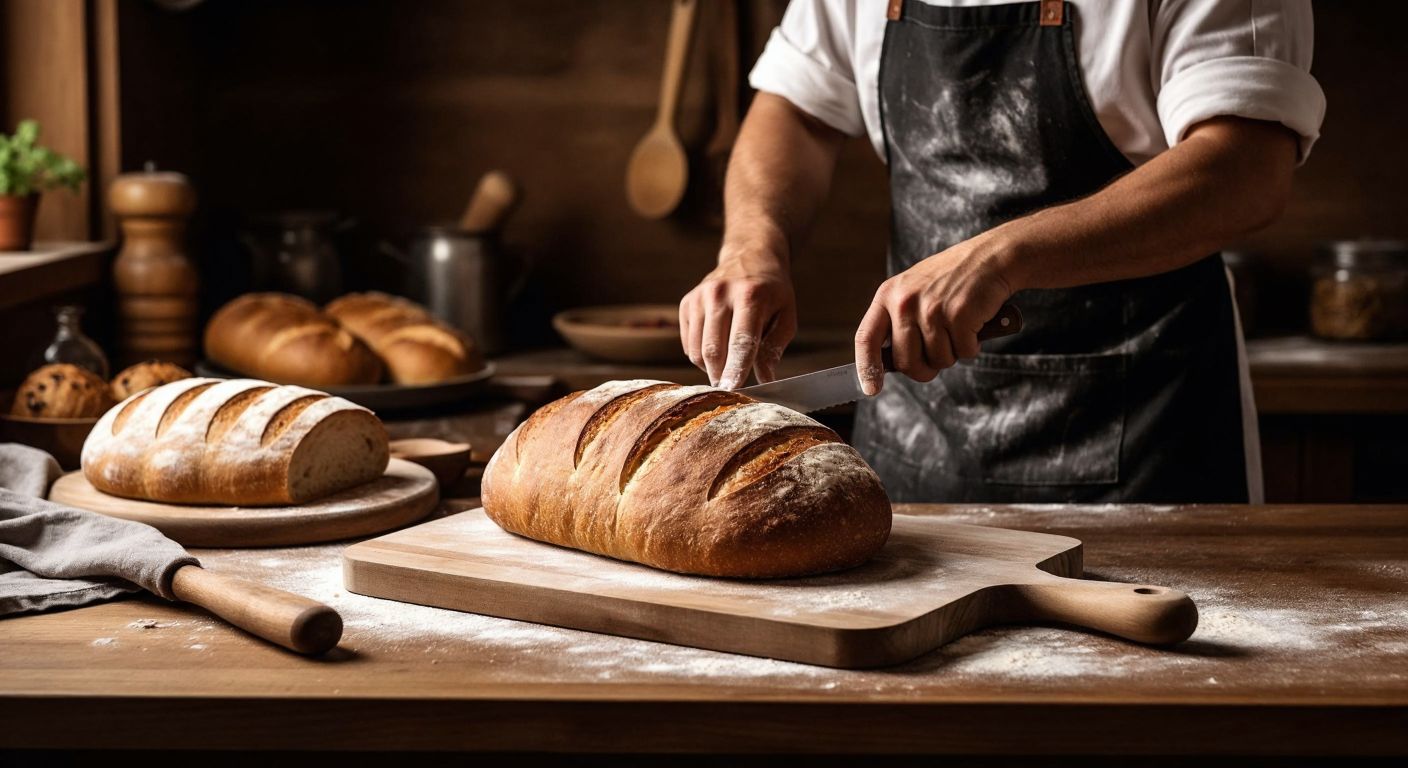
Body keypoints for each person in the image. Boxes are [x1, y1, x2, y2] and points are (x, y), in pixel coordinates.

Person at [678, 0, 1326, 503]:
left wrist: (1000, 257)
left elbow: (1245, 168)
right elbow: (797, 111)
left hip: (1144, 447)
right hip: (914, 440)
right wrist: (752, 245)